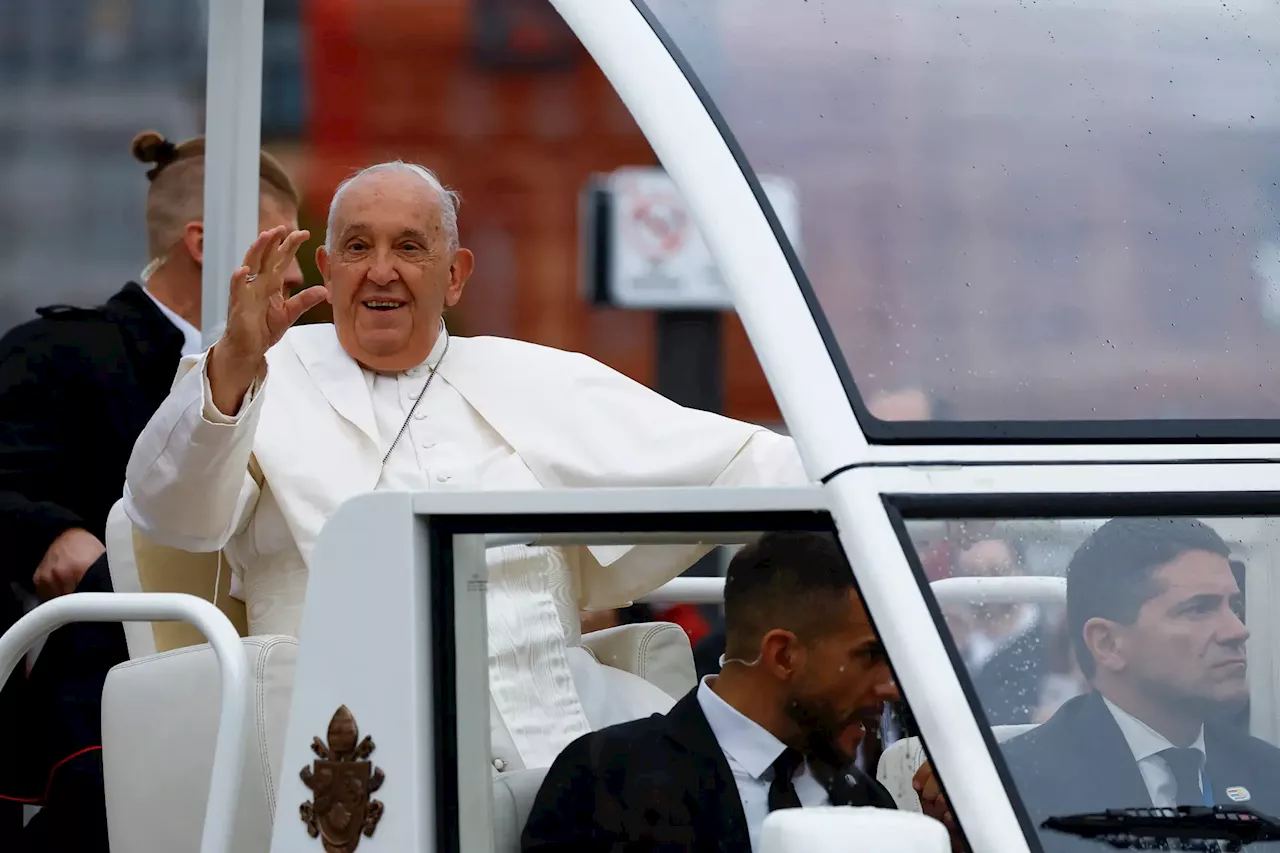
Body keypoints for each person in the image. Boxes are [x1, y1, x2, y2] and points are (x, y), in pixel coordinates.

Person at [122, 161, 806, 772]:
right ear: (327, 272)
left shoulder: (533, 377)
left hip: (556, 728)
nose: (380, 269)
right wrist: (237, 361)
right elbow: (172, 509)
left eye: (409, 247)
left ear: (454, 276)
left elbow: (742, 461)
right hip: (343, 746)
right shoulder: (258, 374)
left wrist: (871, 495)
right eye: (358, 247)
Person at [0, 130, 302, 852]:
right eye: (277, 252)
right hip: (107, 695)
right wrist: (51, 532)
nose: (292, 280)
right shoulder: (60, 355)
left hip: (266, 679)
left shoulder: (299, 374)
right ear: (205, 241)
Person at [521, 532, 917, 852]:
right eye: (869, 656)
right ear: (783, 655)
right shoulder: (604, 781)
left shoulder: (868, 802)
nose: (891, 687)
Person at [917, 518, 1280, 853]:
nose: (1237, 630)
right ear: (1107, 643)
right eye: (1199, 609)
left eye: (1235, 606)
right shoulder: (1013, 789)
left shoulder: (1269, 774)